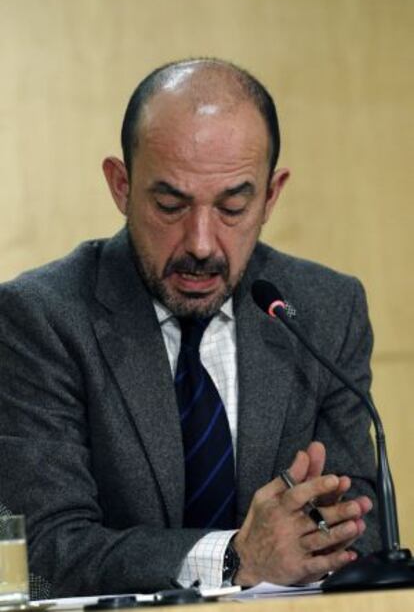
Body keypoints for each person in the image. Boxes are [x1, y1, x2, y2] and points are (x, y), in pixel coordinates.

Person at [0, 58, 380, 598]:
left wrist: (318, 535)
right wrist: (236, 557)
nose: (201, 243)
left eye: (233, 206)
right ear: (120, 184)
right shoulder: (42, 318)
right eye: (171, 204)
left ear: (271, 196)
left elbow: (365, 533)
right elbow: (41, 551)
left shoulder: (322, 310)